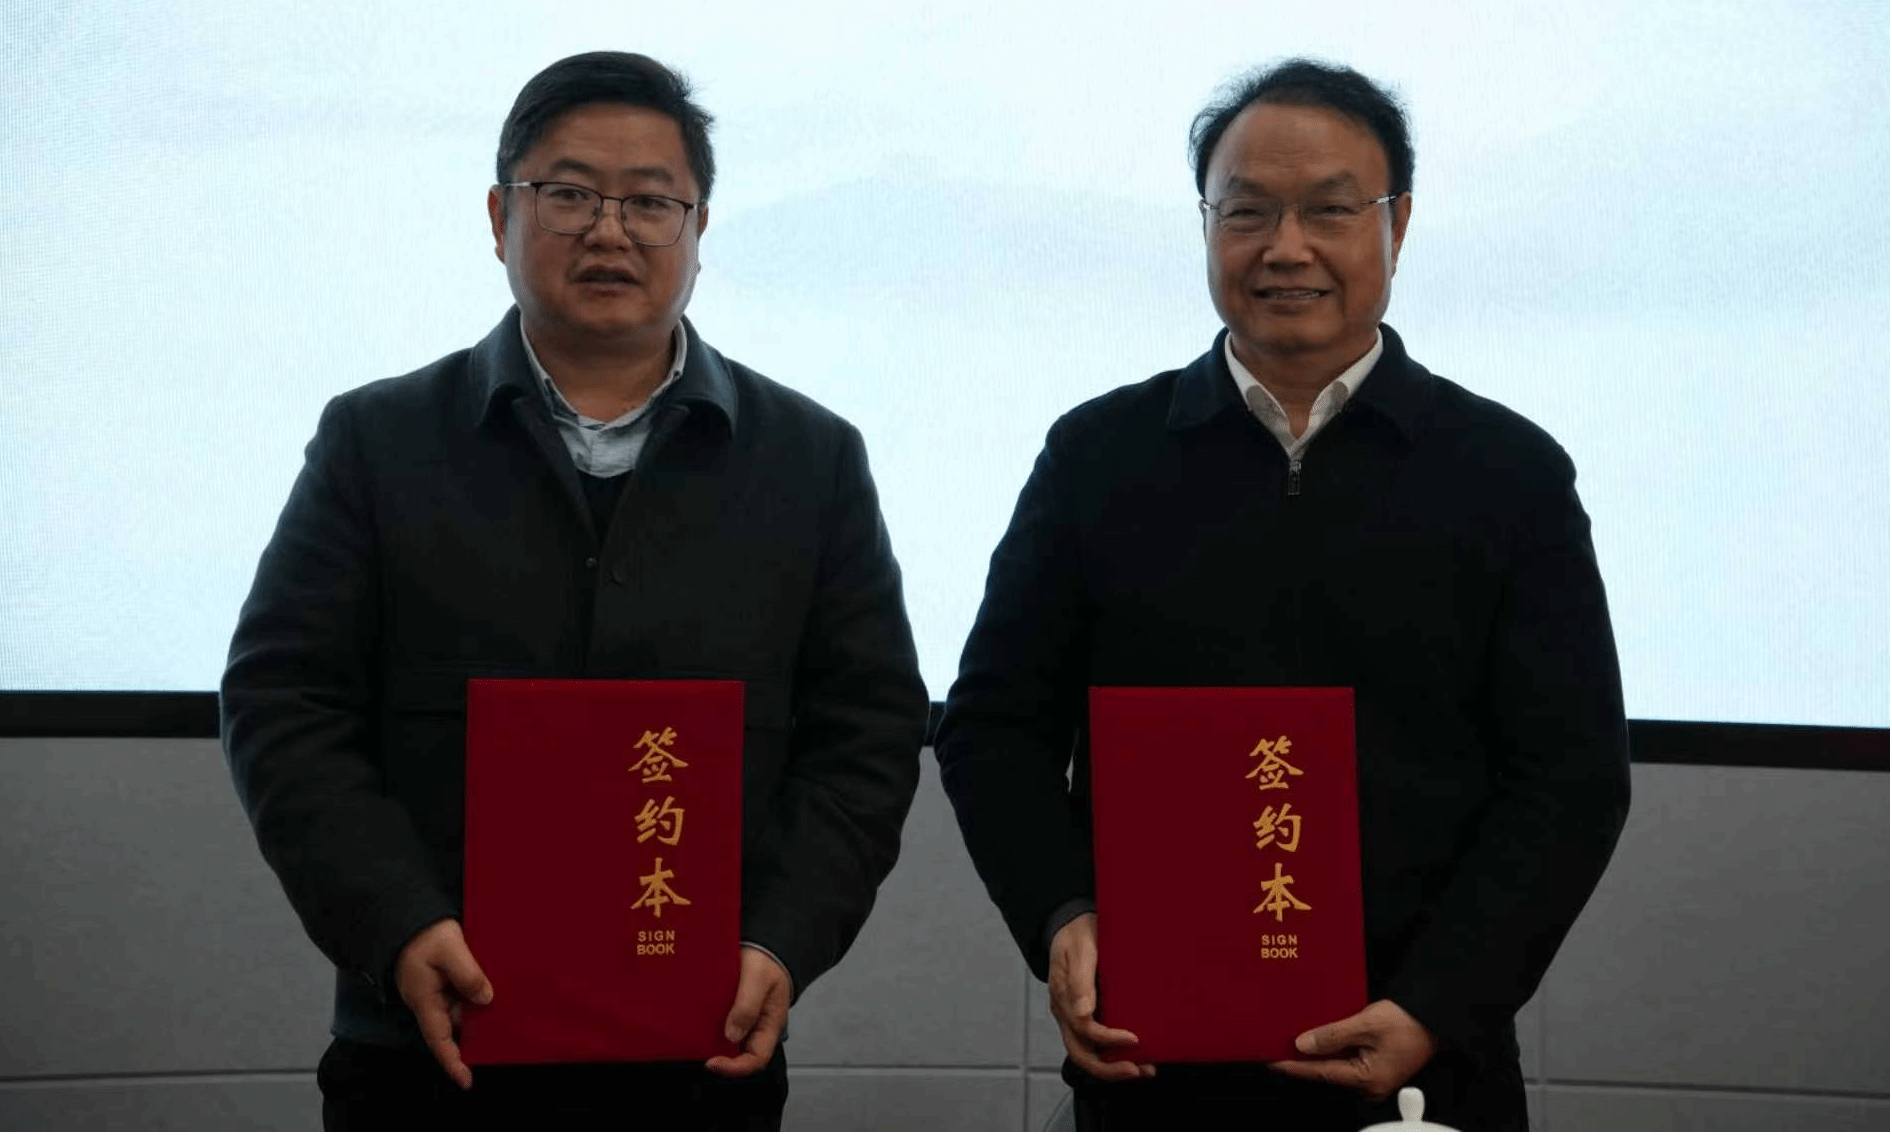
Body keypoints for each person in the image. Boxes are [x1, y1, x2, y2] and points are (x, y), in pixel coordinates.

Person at [221, 51, 927, 1132]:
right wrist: (395, 921)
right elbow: (283, 702)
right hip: (425, 1045)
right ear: (499, 215)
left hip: (700, 1049)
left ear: (698, 228)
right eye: (568, 193)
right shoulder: (377, 441)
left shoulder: (809, 459)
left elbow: (867, 730)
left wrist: (782, 936)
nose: (609, 230)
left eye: (650, 201)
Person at [934, 58, 1630, 1131]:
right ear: (1206, 228)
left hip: (1422, 1068)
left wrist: (1436, 1004)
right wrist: (1060, 912)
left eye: (1330, 210)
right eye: (1246, 211)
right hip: (1152, 1071)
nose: (1285, 247)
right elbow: (993, 726)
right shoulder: (1097, 456)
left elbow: (1569, 777)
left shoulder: (1507, 473)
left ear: (1397, 225)